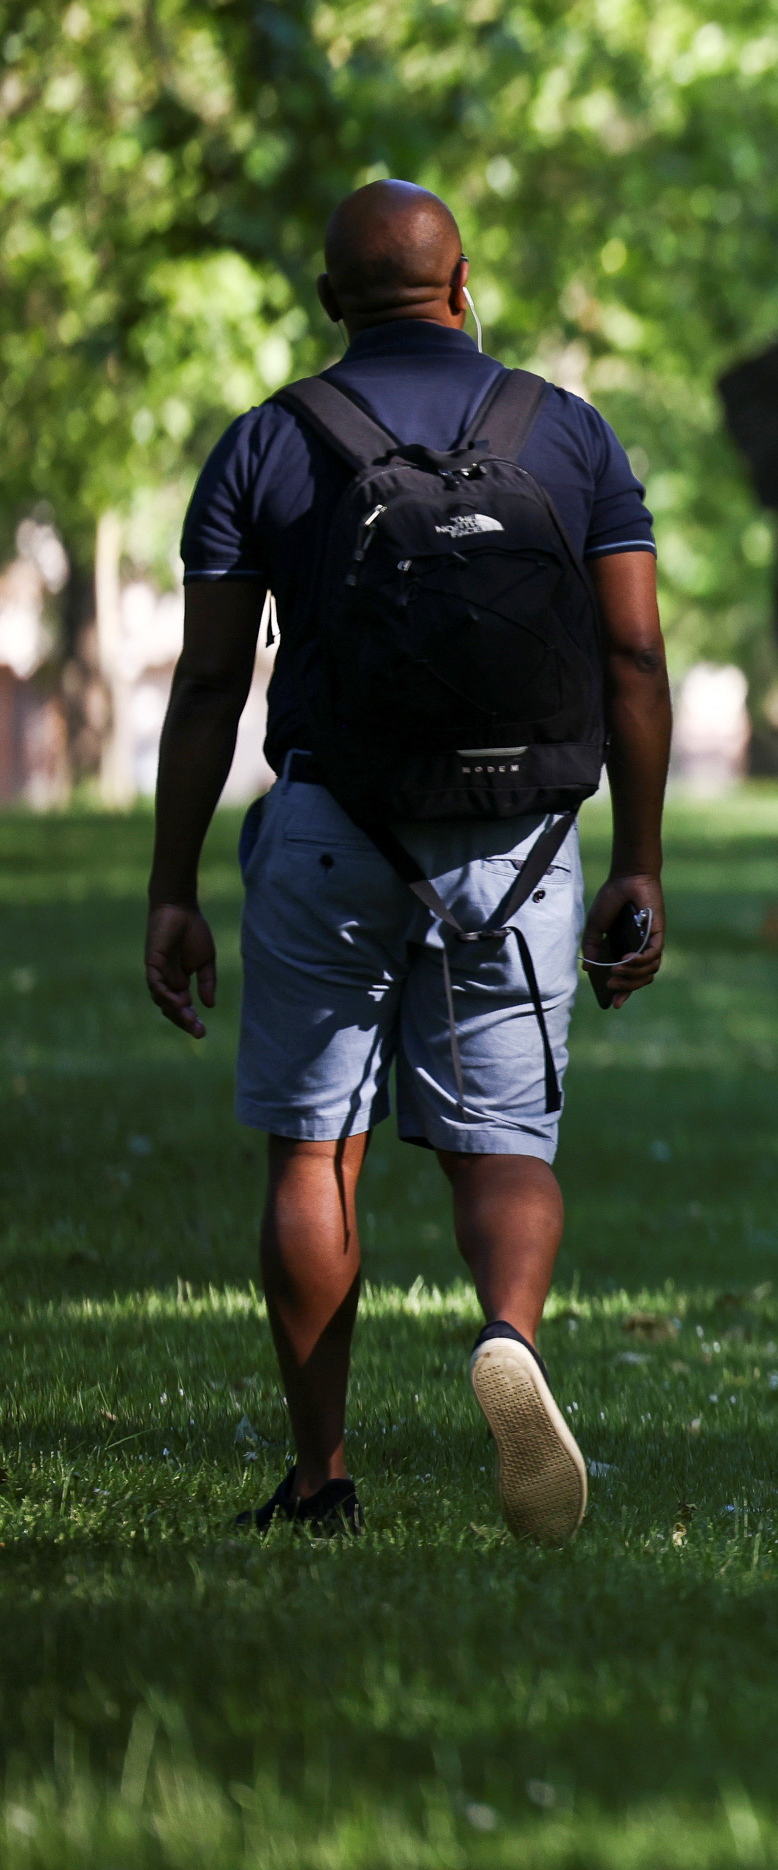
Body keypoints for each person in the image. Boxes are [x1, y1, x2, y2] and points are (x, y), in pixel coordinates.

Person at [143, 181, 671, 1544]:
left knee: (316, 1153)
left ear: (331, 299)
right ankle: (509, 1334)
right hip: (524, 841)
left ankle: (320, 1480)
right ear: (464, 282)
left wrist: (171, 885)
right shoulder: (572, 436)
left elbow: (210, 683)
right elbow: (634, 655)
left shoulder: (265, 444)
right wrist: (643, 862)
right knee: (503, 1145)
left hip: (332, 829)